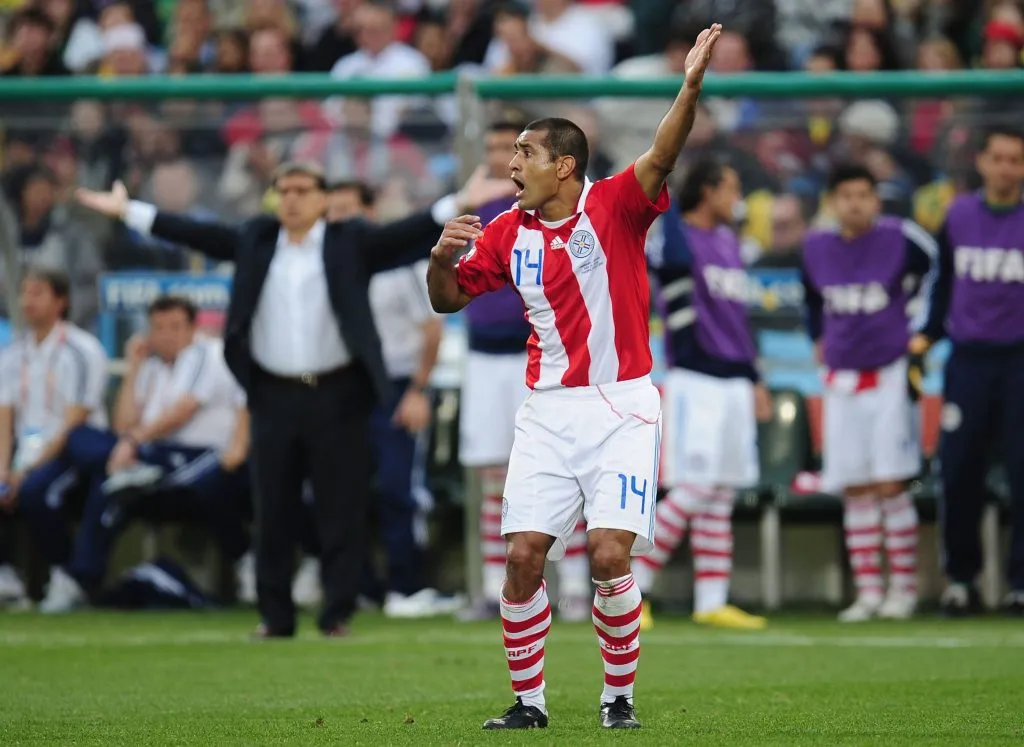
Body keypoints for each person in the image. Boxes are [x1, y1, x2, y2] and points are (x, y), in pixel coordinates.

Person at [427, 24, 723, 731]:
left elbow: (665, 151)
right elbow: (448, 298)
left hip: (622, 406)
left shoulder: (615, 205)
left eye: (524, 152)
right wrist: (440, 259)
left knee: (607, 550)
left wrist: (688, 87)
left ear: (564, 165)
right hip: (548, 410)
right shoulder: (505, 231)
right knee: (524, 554)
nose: (511, 164)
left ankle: (617, 696)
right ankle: (529, 703)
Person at [76, 160, 512, 638]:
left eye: (303, 190)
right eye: (284, 190)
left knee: (339, 506)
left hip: (337, 392)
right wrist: (129, 211)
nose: (292, 199)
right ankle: (275, 615)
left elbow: (401, 234)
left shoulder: (348, 243)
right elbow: (197, 234)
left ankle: (336, 612)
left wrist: (457, 204)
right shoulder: (257, 241)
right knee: (272, 507)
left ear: (323, 199)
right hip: (273, 393)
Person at [455, 120, 592, 624]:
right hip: (483, 357)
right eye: (494, 148)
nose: (504, 159)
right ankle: (498, 588)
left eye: (512, 148)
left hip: (538, 359)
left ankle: (575, 585)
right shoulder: (469, 204)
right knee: (495, 477)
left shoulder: (546, 205)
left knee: (566, 472)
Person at [36, 296, 254, 612]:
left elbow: (181, 411)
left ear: (193, 329)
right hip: (148, 456)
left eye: (175, 327)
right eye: (159, 328)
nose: (167, 335)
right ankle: (81, 579)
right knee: (90, 452)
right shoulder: (151, 367)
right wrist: (134, 369)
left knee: (114, 473)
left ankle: (137, 472)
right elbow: (123, 423)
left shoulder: (206, 355)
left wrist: (132, 443)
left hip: (194, 458)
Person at [636, 159, 771, 631]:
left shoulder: (731, 242)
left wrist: (755, 379)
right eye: (731, 188)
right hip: (696, 377)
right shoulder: (677, 240)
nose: (737, 199)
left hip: (734, 380)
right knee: (693, 489)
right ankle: (635, 585)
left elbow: (739, 320)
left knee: (721, 493)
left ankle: (712, 599)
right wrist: (669, 193)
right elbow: (666, 263)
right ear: (708, 191)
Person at [803, 164, 938, 622]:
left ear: (876, 199)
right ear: (832, 201)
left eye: (864, 194)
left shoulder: (902, 237)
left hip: (890, 375)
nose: (855, 203)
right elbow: (812, 302)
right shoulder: (816, 247)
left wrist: (924, 329)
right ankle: (868, 592)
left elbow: (942, 271)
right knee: (856, 487)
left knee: (891, 483)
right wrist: (818, 339)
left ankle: (904, 588)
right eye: (846, 195)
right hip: (841, 379)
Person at [326, 179, 459, 618]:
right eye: (333, 211)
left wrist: (418, 391)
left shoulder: (398, 266)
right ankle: (359, 584)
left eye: (347, 210)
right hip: (348, 387)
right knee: (342, 488)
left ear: (369, 212)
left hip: (399, 385)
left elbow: (432, 329)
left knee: (399, 487)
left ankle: (408, 584)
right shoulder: (330, 264)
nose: (338, 220)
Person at [912, 129, 1024, 617]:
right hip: (968, 361)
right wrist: (927, 335)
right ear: (982, 162)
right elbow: (943, 284)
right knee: (958, 473)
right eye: (997, 158)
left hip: (1020, 362)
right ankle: (961, 580)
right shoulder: (958, 216)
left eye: (1015, 160)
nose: (1005, 168)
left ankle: (1020, 584)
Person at [0, 267, 109, 613]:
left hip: (70, 450)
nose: (28, 301)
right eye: (24, 293)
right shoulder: (12, 353)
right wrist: (3, 469)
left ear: (61, 301)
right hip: (22, 453)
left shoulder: (82, 349)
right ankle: (7, 577)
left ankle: (65, 574)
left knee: (37, 492)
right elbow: (5, 417)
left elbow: (74, 421)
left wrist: (27, 469)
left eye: (38, 293)